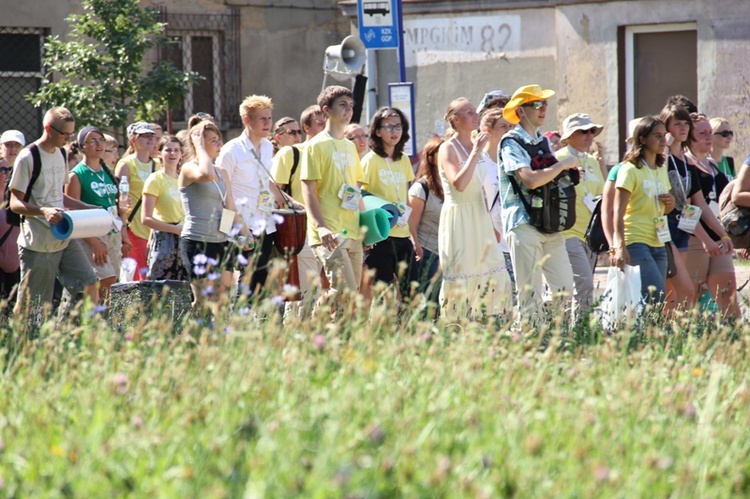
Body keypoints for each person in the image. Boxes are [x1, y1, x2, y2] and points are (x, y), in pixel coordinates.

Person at [8, 107, 99, 316]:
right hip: (38, 243)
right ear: (48, 129)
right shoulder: (28, 157)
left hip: (64, 236)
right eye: (64, 134)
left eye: (71, 134)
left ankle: (70, 335)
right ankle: (22, 343)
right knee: (33, 305)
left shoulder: (61, 152)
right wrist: (43, 211)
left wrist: (86, 207)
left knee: (89, 285)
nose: (68, 139)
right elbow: (14, 203)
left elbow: (58, 194)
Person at [498, 84, 577, 319]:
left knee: (565, 290)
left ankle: (555, 339)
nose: (542, 108)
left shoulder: (542, 140)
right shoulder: (510, 142)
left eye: (544, 103)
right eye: (535, 104)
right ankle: (531, 345)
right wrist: (562, 165)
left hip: (550, 223)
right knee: (529, 295)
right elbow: (530, 180)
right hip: (523, 223)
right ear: (520, 111)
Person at [438, 97, 512, 319]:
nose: (475, 115)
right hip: (459, 217)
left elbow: (484, 187)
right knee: (463, 275)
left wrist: (492, 222)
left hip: (480, 215)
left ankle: (491, 322)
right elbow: (459, 184)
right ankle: (458, 327)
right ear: (455, 120)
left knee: (495, 271)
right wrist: (475, 152)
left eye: (474, 111)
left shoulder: (476, 143)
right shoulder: (447, 148)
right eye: (469, 113)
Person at [217, 95, 296, 296]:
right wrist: (231, 228)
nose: (268, 123)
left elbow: (268, 181)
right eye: (262, 119)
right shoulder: (231, 150)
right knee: (244, 277)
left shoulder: (268, 146)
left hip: (264, 221)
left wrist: (291, 202)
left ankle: (255, 321)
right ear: (247, 120)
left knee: (262, 278)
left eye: (269, 118)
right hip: (239, 223)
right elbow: (220, 191)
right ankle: (239, 320)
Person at [301, 85, 365, 300]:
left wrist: (366, 226)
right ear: (326, 110)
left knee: (352, 293)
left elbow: (356, 189)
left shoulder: (349, 146)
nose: (348, 110)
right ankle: (326, 327)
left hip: (352, 230)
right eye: (343, 105)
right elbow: (308, 190)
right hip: (330, 232)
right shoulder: (315, 146)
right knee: (345, 292)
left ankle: (319, 321)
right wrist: (321, 227)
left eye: (351, 106)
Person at [180, 121, 247, 317]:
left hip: (220, 242)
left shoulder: (222, 172)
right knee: (203, 302)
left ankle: (219, 342)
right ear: (199, 143)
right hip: (197, 241)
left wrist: (246, 234)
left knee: (223, 300)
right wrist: (199, 146)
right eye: (213, 141)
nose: (219, 144)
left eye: (220, 140)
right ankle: (193, 338)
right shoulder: (188, 169)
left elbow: (231, 207)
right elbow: (206, 173)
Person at [611, 116, 675, 304]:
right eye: (657, 136)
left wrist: (670, 203)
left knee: (652, 299)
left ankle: (645, 333)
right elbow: (618, 210)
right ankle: (646, 332)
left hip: (658, 241)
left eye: (665, 135)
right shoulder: (630, 169)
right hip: (636, 240)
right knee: (655, 295)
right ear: (642, 139)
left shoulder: (661, 168)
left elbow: (666, 209)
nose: (663, 140)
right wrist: (619, 246)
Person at [65, 125, 128, 304]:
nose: (98, 144)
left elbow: (114, 207)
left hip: (112, 235)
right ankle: (91, 325)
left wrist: (123, 236)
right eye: (92, 141)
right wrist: (94, 242)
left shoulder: (107, 173)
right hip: (90, 236)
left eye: (100, 140)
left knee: (112, 285)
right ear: (82, 147)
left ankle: (104, 326)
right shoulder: (76, 175)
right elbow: (73, 213)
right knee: (102, 283)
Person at [685, 114, 739, 318]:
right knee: (690, 295)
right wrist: (705, 240)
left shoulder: (713, 165)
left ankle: (735, 339)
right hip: (694, 240)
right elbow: (688, 210)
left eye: (710, 132)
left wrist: (726, 235)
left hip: (718, 237)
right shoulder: (685, 165)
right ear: (689, 137)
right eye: (702, 133)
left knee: (728, 293)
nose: (708, 137)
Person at [360, 107, 415, 301]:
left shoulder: (404, 160)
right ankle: (381, 330)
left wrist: (413, 237)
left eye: (398, 126)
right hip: (380, 236)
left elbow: (407, 199)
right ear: (377, 131)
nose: (394, 131)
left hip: (403, 234)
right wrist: (365, 236)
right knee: (383, 294)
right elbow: (361, 196)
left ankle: (410, 330)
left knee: (411, 292)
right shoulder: (370, 160)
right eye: (389, 127)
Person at [557, 113, 606, 313]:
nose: (589, 136)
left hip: (590, 233)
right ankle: (579, 330)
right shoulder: (558, 159)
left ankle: (577, 331)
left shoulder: (592, 161)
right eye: (582, 131)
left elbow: (601, 194)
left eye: (591, 131)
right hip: (567, 231)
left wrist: (602, 163)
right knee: (584, 282)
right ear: (569, 137)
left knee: (582, 285)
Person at [115, 122, 157, 281]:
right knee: (140, 278)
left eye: (152, 135)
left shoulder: (157, 164)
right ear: (133, 139)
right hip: (134, 229)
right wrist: (123, 231)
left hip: (154, 229)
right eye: (144, 135)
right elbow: (119, 200)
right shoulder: (126, 164)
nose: (150, 138)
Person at [142, 135, 187, 281]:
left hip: (185, 237)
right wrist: (175, 229)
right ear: (160, 153)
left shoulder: (185, 179)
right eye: (168, 150)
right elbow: (146, 218)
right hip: (165, 240)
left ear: (181, 154)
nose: (172, 154)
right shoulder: (155, 179)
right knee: (160, 287)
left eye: (176, 150)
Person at [408, 137, 444, 306]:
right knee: (432, 302)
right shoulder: (420, 188)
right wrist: (415, 246)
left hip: (447, 253)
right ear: (431, 158)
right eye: (441, 152)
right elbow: (411, 224)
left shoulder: (450, 184)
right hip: (428, 253)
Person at [479, 108, 514, 280]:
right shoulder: (480, 161)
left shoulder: (511, 160)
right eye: (503, 127)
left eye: (510, 127)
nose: (509, 131)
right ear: (488, 131)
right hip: (491, 239)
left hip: (513, 235)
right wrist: (488, 227)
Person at [0, 156, 20, 307]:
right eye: (1, 170)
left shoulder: (15, 199)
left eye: (8, 170)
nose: (5, 174)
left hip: (17, 268)